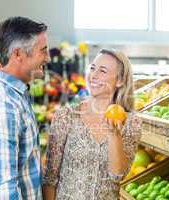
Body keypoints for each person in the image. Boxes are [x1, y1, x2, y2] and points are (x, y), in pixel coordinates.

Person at [42, 49, 141, 200]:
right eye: (93, 68)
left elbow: (117, 175)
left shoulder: (130, 122)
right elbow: (50, 177)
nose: (94, 75)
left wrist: (114, 135)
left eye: (102, 71)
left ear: (120, 80)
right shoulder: (66, 116)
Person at [0, 16, 49, 200]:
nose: (48, 58)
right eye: (43, 51)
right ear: (18, 55)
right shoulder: (3, 106)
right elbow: (4, 190)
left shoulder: (16, 96)